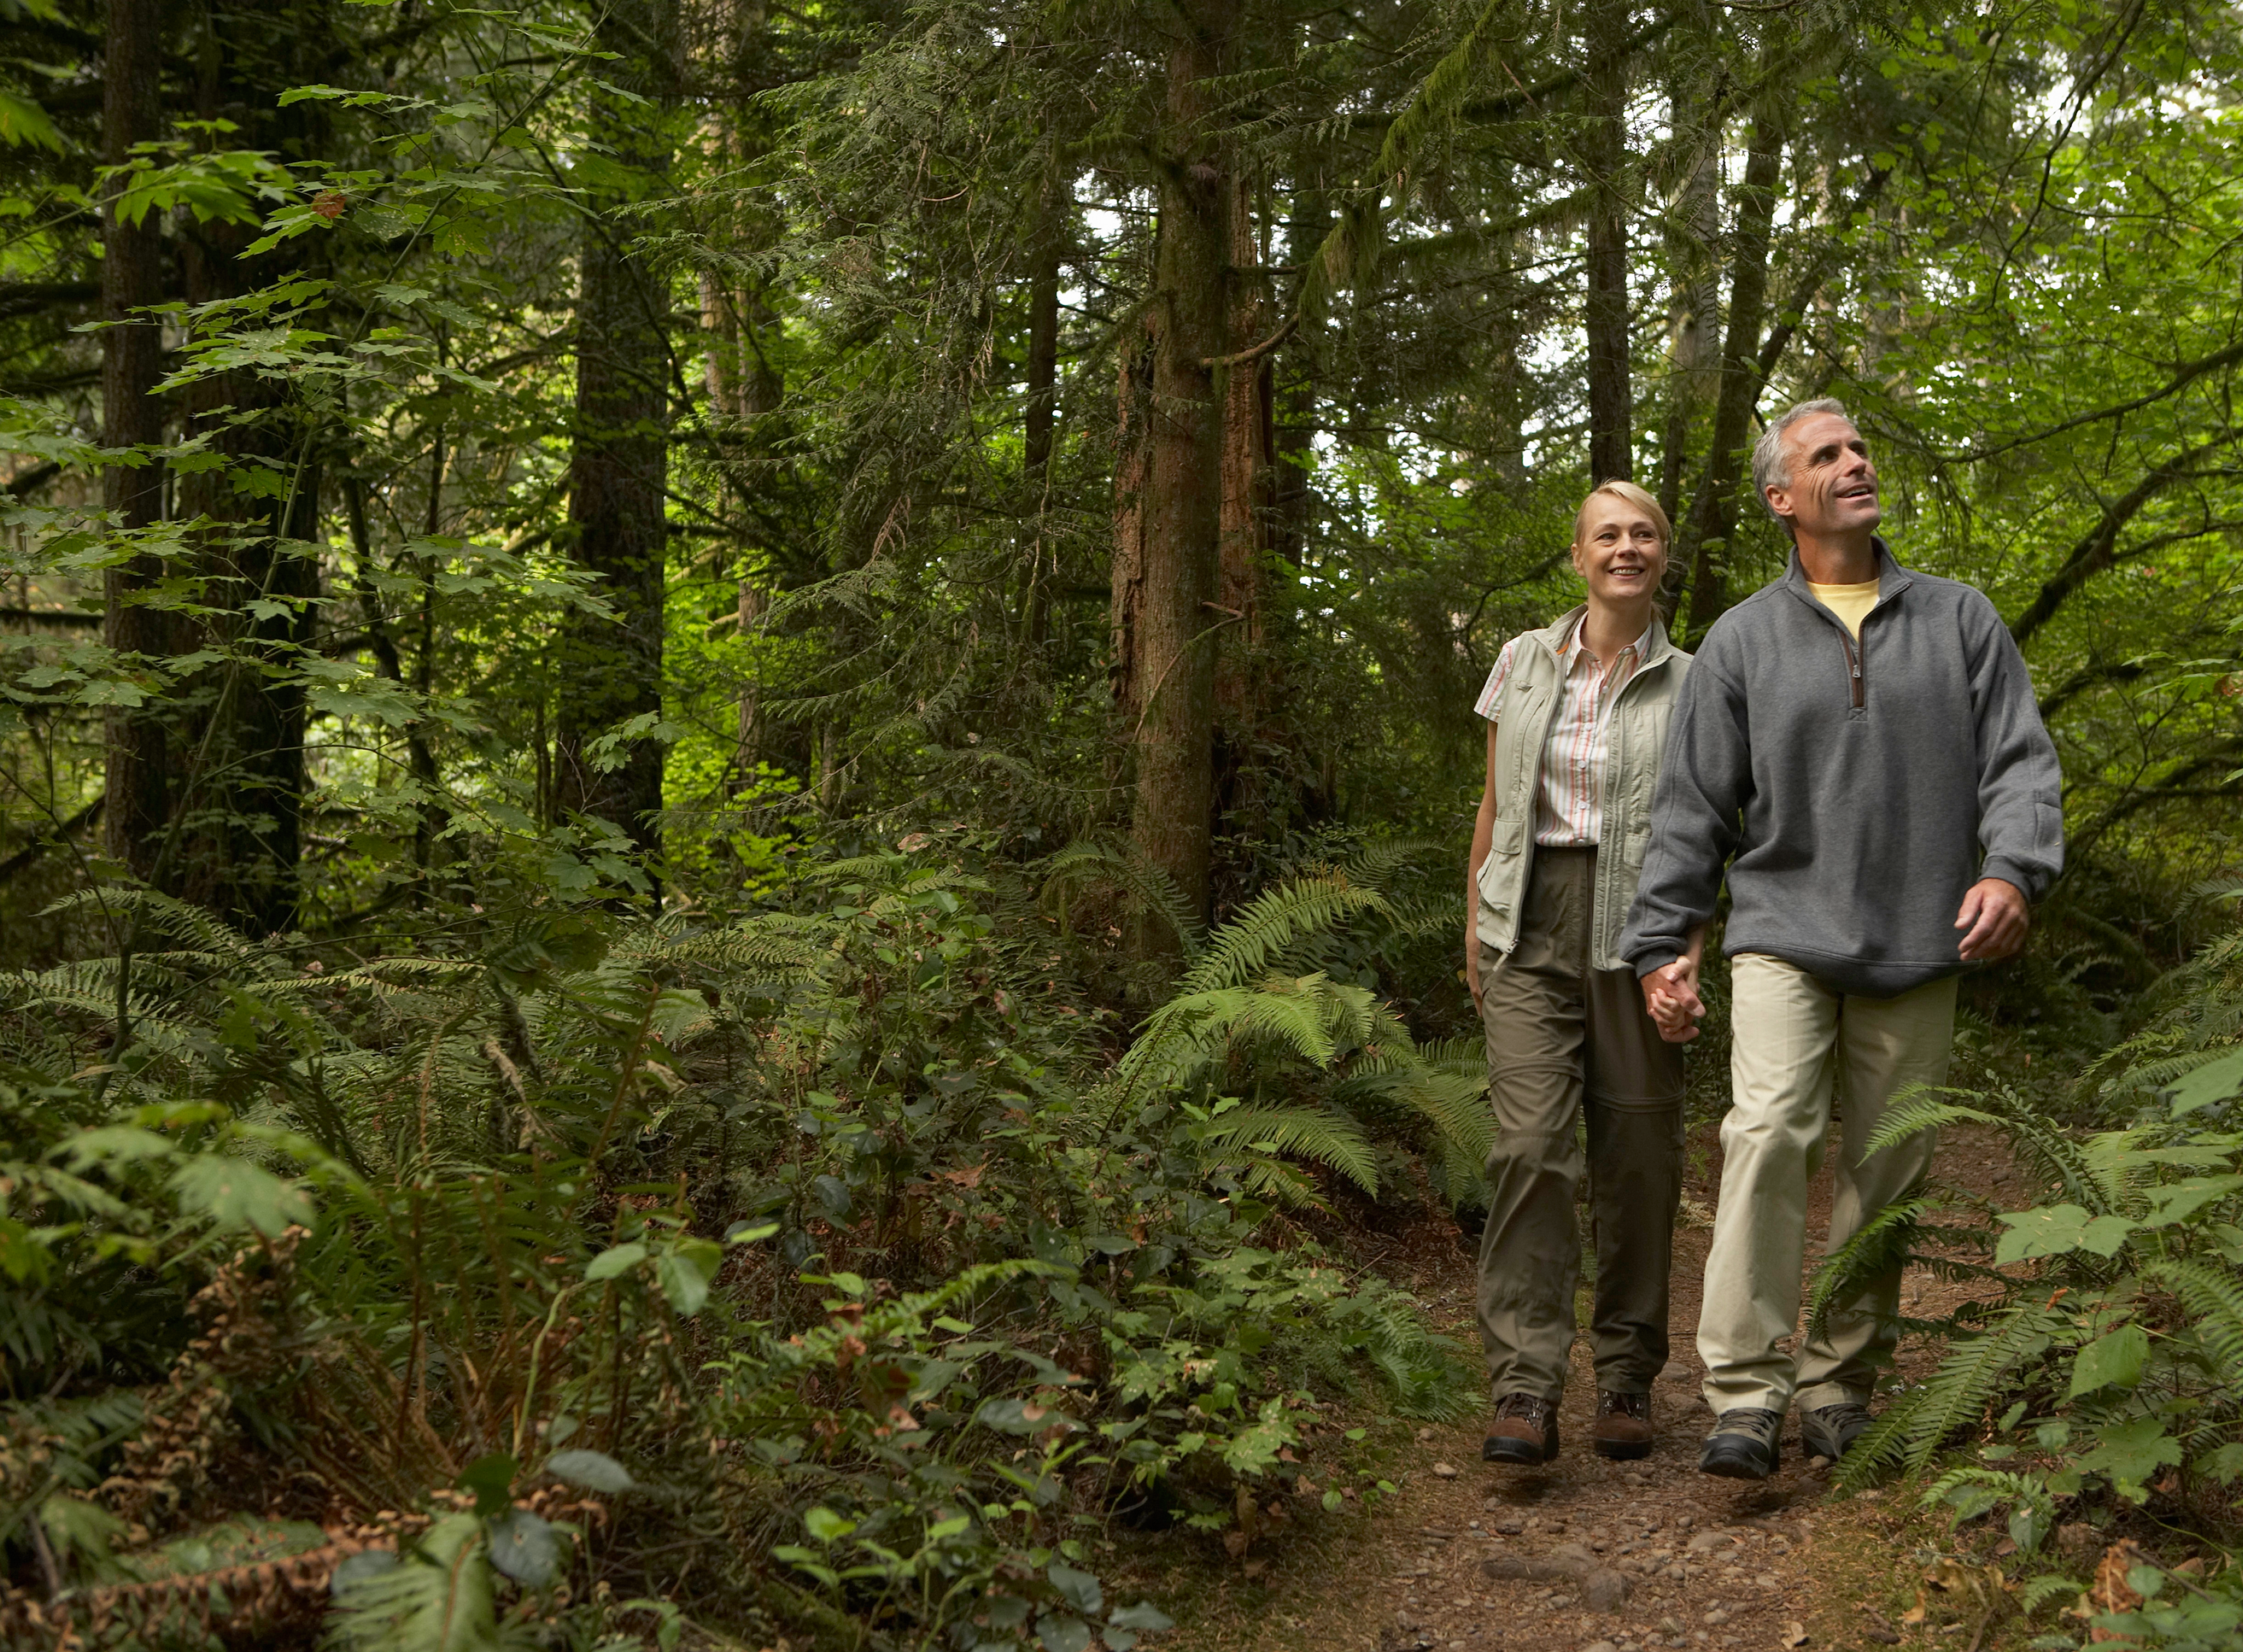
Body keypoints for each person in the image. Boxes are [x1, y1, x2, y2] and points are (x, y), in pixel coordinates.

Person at [1620, 398, 2063, 1481]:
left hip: (1922, 938)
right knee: (1766, 1132)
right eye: (1827, 455)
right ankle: (1743, 1392)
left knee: (1889, 1170)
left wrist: (2013, 869)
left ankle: (1838, 1387)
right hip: (1781, 931)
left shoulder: (1960, 618)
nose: (1856, 463)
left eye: (1859, 447)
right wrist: (1662, 945)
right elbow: (1693, 809)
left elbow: (2020, 763)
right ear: (1783, 498)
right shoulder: (1742, 641)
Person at [1466, 480, 1694, 1466]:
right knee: (1530, 1149)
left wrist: (1686, 949)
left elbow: (1708, 830)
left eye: (1643, 533)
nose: (1626, 547)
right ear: (1578, 555)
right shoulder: (1520, 661)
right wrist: (1475, 924)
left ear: (1663, 554)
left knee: (1638, 1161)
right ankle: (1524, 1385)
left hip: (1640, 926)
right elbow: (1494, 801)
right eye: (1608, 534)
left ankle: (1630, 1378)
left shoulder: (1697, 680)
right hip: (1527, 922)